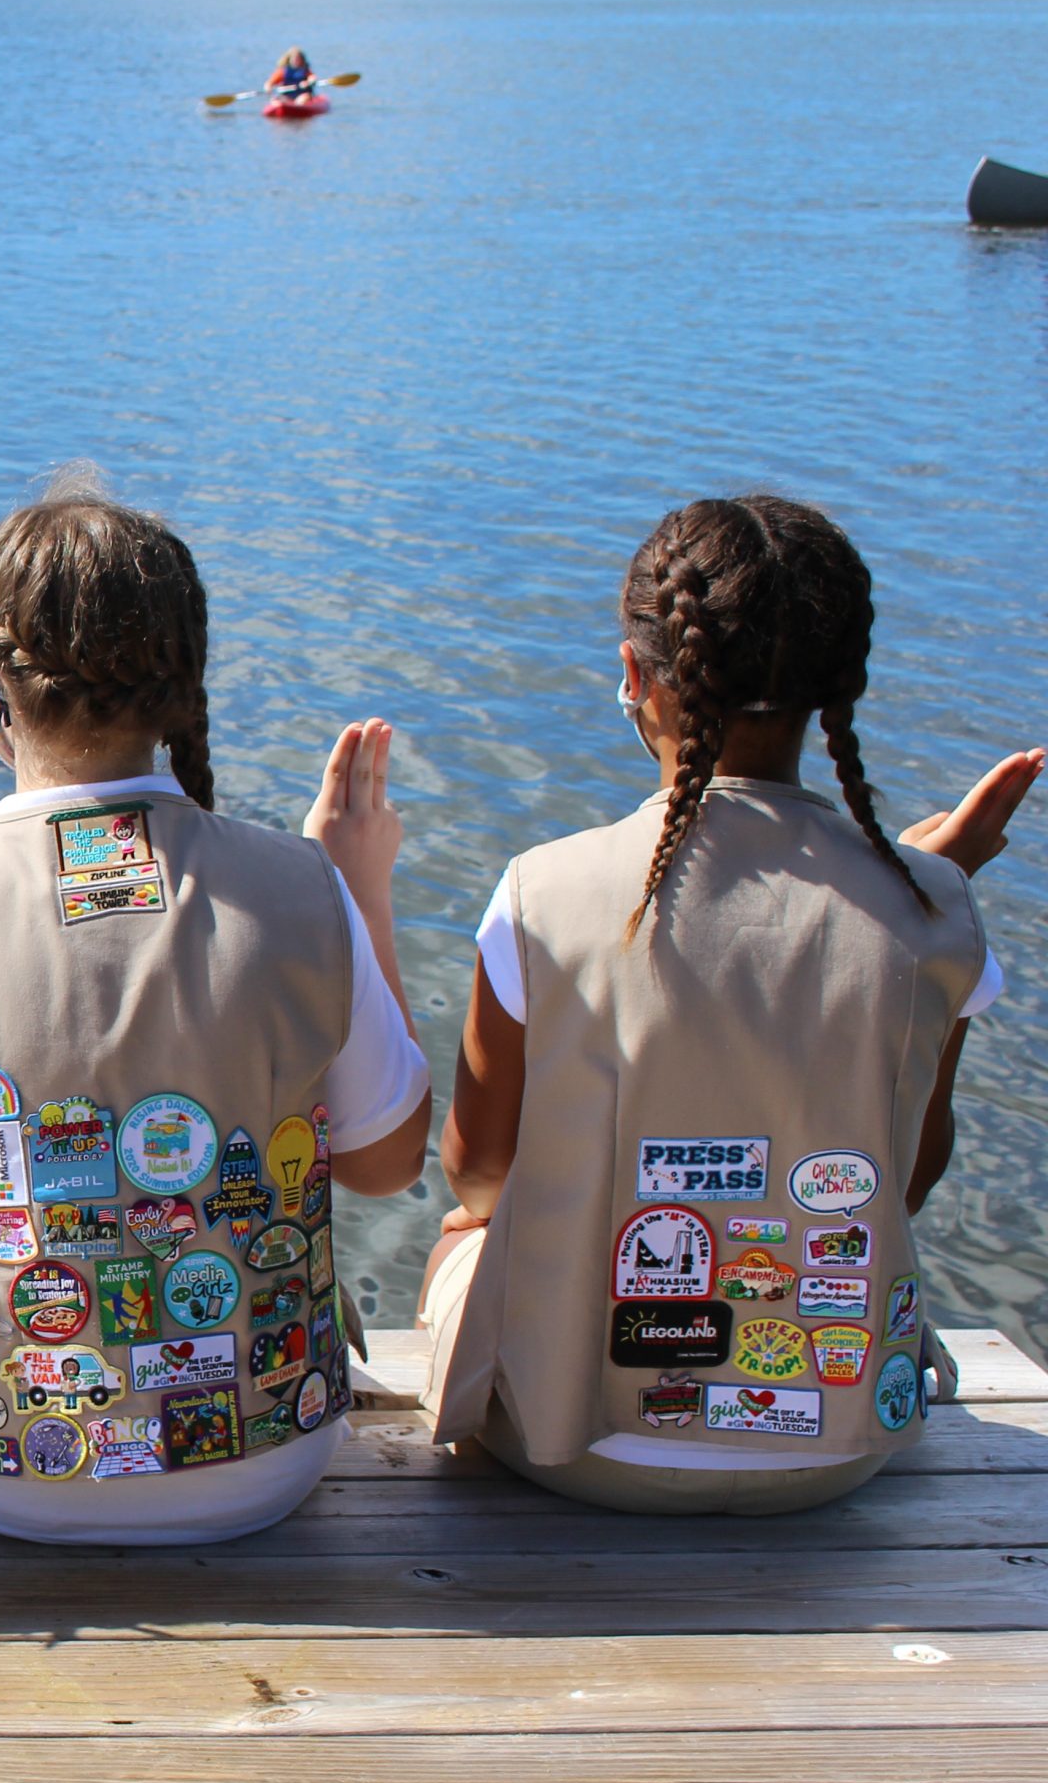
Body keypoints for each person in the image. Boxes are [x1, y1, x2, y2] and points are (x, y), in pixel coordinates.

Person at [0, 474, 431, 1544]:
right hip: (267, 1462)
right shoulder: (303, 889)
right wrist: (360, 892)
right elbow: (387, 1169)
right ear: (184, 679)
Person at [421, 496, 1041, 1514]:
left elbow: (480, 1173)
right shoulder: (934, 911)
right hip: (839, 1449)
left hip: (573, 1447)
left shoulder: (544, 890)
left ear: (637, 676)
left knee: (463, 1232)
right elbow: (904, 1180)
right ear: (841, 690)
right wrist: (925, 890)